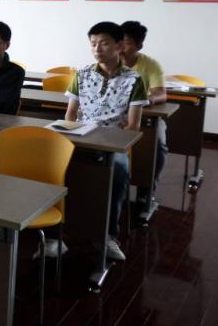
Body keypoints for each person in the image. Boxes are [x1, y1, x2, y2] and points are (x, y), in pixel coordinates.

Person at [65, 21, 148, 262]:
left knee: (118, 172)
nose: (97, 48)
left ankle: (108, 235)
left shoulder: (134, 79)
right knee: (56, 166)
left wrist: (112, 140)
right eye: (93, 44)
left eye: (104, 43)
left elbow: (133, 125)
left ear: (120, 46)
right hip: (81, 138)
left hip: (113, 143)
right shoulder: (81, 74)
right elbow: (70, 115)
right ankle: (58, 233)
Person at [121, 20, 168, 214]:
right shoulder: (108, 62)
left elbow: (161, 93)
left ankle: (146, 190)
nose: (121, 47)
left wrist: (144, 100)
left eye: (127, 43)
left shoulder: (150, 65)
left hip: (147, 114)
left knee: (158, 145)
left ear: (139, 46)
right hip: (115, 115)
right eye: (118, 41)